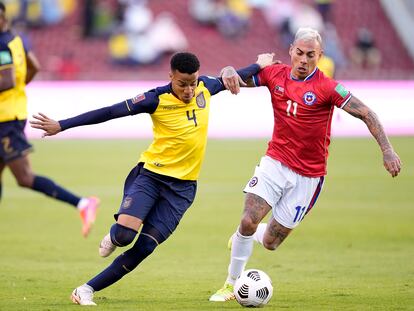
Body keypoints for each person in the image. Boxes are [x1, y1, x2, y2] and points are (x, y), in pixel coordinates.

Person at [30, 51, 276, 306]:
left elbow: (236, 75)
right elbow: (110, 112)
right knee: (125, 236)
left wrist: (259, 64)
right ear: (170, 76)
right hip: (151, 177)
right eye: (182, 84)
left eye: (192, 83)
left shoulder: (206, 87)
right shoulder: (154, 99)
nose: (189, 90)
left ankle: (86, 290)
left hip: (182, 190)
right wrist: (62, 124)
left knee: (145, 247)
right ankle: (114, 236)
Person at [209, 27, 401, 302]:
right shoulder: (273, 73)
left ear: (319, 56)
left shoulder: (327, 87)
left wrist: (387, 150)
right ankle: (230, 284)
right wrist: (228, 68)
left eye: (311, 55)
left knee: (271, 242)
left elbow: (367, 114)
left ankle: (247, 236)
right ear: (291, 51)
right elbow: (235, 78)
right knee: (248, 219)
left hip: (308, 176)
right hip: (275, 161)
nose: (303, 60)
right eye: (299, 53)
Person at [0, 2, 99, 238]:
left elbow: (7, 81)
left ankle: (83, 203)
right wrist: (21, 87)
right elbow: (34, 65)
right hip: (12, 113)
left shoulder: (2, 45)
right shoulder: (17, 40)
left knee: (24, 178)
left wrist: (16, 87)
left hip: (6, 119)